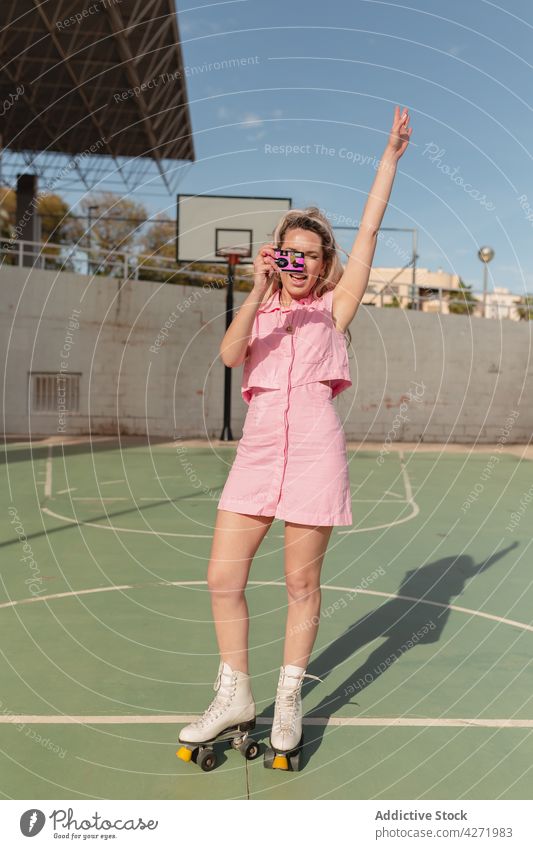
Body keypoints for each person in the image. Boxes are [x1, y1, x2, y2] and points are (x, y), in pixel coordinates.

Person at [177, 106, 412, 769]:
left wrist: (388, 157)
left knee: (300, 585)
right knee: (222, 577)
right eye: (289, 252)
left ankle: (286, 699)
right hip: (255, 454)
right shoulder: (263, 312)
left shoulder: (334, 310)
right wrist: (255, 292)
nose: (300, 262)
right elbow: (228, 356)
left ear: (323, 260)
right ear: (274, 255)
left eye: (311, 254)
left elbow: (366, 232)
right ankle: (233, 694)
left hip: (313, 452)